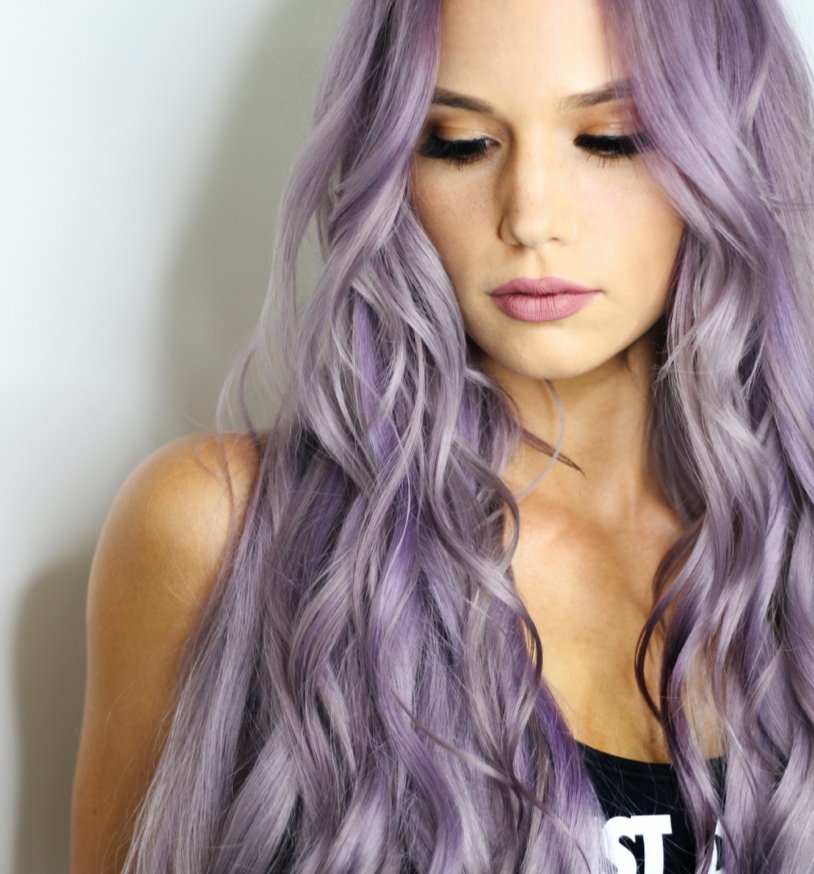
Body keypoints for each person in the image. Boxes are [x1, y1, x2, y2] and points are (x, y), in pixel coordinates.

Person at [70, 0, 814, 870]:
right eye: (460, 143)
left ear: (730, 151)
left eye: (610, 139)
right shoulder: (223, 533)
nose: (530, 217)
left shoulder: (793, 550)